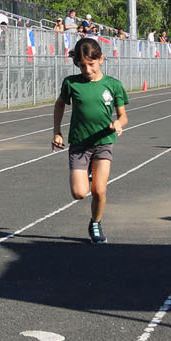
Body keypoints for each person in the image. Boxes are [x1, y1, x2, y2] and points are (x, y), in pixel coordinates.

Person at [51, 36, 129, 245]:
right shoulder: (71, 83)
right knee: (79, 193)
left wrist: (119, 124)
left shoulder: (113, 85)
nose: (87, 69)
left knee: (99, 190)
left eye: (91, 64)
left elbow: (123, 116)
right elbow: (60, 105)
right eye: (82, 65)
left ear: (101, 59)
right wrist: (57, 131)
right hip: (79, 144)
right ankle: (87, 172)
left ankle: (95, 222)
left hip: (103, 142)